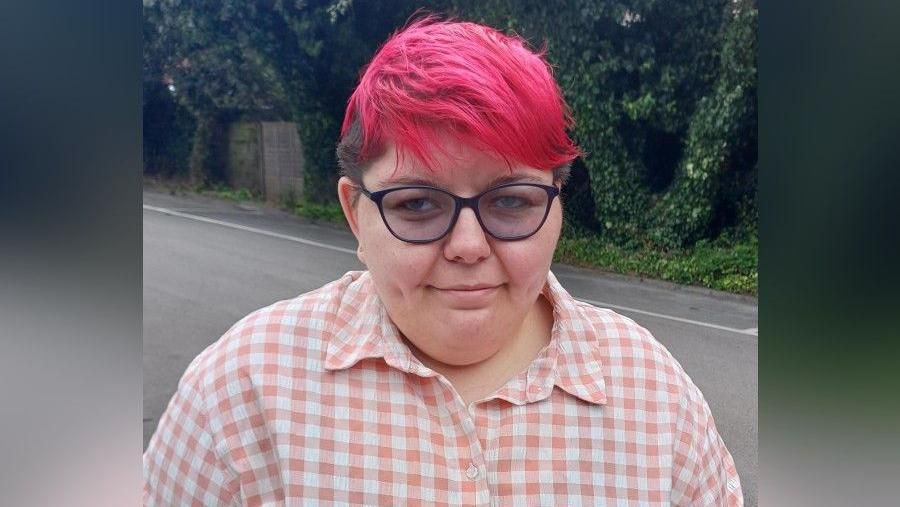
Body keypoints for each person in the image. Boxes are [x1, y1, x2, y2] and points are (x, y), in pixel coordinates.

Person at [144, 17, 743, 506]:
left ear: (558, 206)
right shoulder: (240, 395)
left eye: (510, 201)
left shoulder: (654, 396)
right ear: (357, 216)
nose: (467, 245)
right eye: (417, 204)